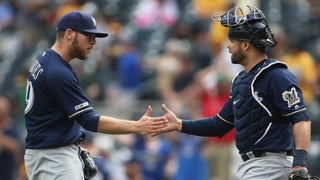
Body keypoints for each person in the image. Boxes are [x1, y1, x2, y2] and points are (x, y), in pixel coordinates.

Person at [158, 5, 315, 179]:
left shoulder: (276, 75)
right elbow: (218, 125)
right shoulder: (241, 80)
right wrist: (179, 124)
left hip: (271, 164)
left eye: (232, 41)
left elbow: (301, 119)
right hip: (252, 165)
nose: (228, 46)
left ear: (246, 45)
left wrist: (299, 163)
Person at [23, 11, 167, 180]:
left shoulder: (45, 59)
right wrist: (137, 127)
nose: (93, 42)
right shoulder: (58, 72)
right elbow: (89, 120)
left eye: (95, 37)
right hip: (54, 159)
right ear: (69, 34)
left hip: (47, 154)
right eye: (88, 35)